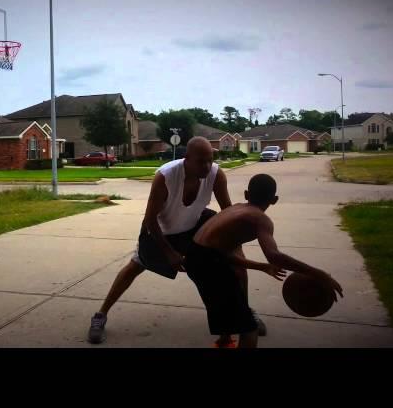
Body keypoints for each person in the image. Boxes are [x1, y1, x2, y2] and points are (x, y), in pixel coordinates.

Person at [87, 136, 266, 344]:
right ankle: (100, 315)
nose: (207, 166)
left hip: (194, 228)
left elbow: (227, 212)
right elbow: (150, 219)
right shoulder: (166, 176)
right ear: (187, 159)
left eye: (210, 159)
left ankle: (244, 314)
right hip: (160, 232)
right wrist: (169, 252)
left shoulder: (216, 175)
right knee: (134, 267)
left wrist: (236, 240)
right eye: (201, 161)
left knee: (235, 266)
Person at [187, 173, 343, 348]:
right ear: (274, 200)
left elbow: (220, 253)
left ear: (246, 194)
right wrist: (320, 274)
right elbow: (274, 255)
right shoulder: (260, 219)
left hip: (194, 257)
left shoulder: (235, 209)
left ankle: (224, 341)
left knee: (227, 307)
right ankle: (227, 339)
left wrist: (261, 267)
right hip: (208, 264)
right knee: (249, 329)